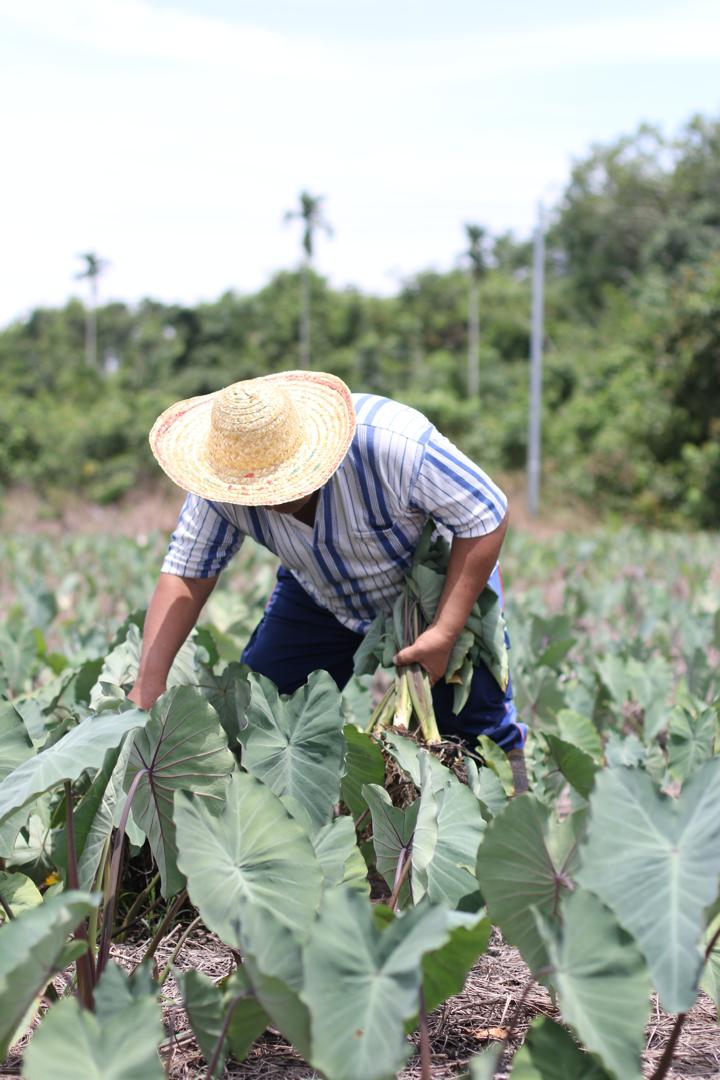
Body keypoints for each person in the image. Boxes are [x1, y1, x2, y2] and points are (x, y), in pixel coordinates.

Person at [129, 370, 528, 790]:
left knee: (479, 727)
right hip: (322, 593)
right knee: (262, 715)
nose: (271, 500)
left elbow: (486, 514)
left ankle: (520, 829)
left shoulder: (390, 443)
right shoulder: (221, 479)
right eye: (258, 492)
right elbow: (187, 571)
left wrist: (445, 632)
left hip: (438, 587)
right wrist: (149, 680)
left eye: (281, 484)